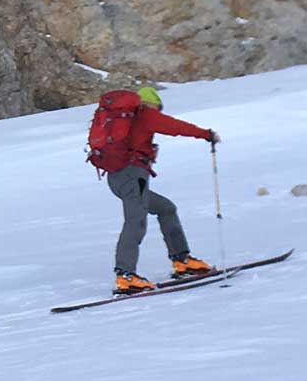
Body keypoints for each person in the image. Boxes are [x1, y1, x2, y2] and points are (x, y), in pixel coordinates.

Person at [87, 86, 220, 293]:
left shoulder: (122, 119)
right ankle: (126, 275)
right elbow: (175, 126)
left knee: (166, 208)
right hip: (132, 175)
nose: (158, 112)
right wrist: (205, 134)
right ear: (150, 103)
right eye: (157, 108)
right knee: (136, 222)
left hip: (116, 177)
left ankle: (182, 260)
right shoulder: (144, 114)